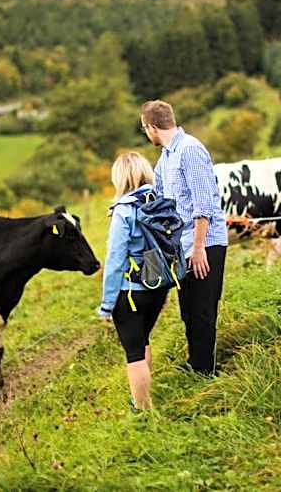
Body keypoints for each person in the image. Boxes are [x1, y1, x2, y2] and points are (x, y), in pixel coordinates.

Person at [140, 100, 228, 375]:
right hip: (183, 246)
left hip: (205, 243)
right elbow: (158, 197)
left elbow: (204, 204)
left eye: (145, 129)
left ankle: (206, 372)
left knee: (203, 310)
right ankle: (196, 364)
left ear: (152, 127)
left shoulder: (189, 150)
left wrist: (200, 247)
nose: (146, 134)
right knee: (187, 309)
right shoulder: (166, 157)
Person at [98, 151, 168, 412]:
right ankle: (144, 399)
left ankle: (142, 410)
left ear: (120, 177)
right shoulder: (160, 200)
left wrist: (106, 304)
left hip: (130, 292)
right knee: (144, 339)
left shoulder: (124, 210)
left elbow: (115, 259)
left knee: (134, 353)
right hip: (157, 285)